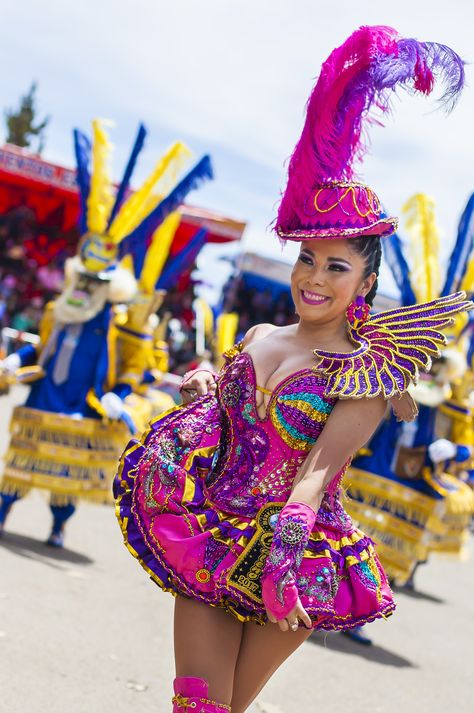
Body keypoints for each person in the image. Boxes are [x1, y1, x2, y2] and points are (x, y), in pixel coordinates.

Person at [114, 26, 469, 712]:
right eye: (307, 258)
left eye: (336, 266)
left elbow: (313, 478)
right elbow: (224, 409)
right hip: (214, 526)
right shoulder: (260, 333)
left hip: (296, 552)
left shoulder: (365, 372)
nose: (313, 277)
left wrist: (284, 556)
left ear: (364, 282)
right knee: (195, 702)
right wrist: (205, 389)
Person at [0, 120, 213, 545]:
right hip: (45, 397)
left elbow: (137, 368)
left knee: (67, 474)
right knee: (18, 469)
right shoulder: (57, 311)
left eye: (94, 284)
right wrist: (15, 360)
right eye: (83, 281)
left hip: (85, 404)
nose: (84, 289)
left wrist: (122, 396)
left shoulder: (122, 326)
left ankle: (59, 526)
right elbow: (43, 349)